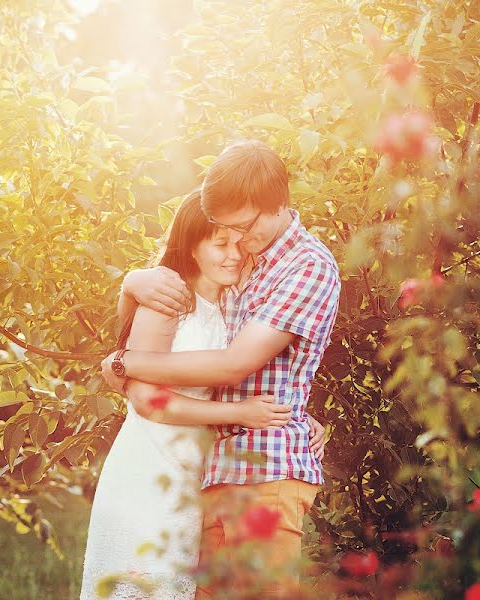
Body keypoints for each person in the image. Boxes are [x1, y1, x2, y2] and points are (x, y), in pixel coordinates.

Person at [101, 139, 341, 598]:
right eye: (225, 231)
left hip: (267, 468)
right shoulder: (249, 259)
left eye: (245, 228)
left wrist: (123, 363)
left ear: (279, 204)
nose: (238, 243)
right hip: (216, 471)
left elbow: (234, 365)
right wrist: (130, 287)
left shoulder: (306, 267)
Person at [80, 190, 297, 600]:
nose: (234, 254)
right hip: (148, 470)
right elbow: (147, 402)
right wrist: (239, 413)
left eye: (239, 241)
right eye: (220, 244)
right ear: (192, 249)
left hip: (192, 475)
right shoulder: (169, 303)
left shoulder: (235, 305)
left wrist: (298, 416)